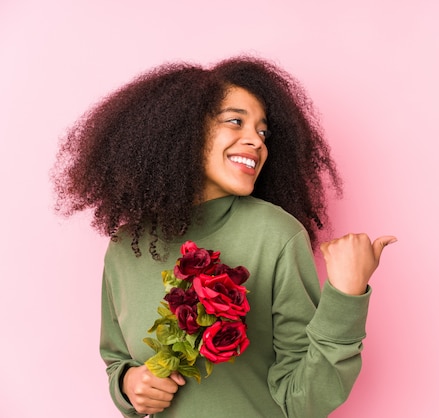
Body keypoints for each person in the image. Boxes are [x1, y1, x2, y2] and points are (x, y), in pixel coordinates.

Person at [53, 55, 396, 418]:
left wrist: (346, 297)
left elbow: (304, 401)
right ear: (185, 131)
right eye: (236, 122)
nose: (257, 142)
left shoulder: (276, 235)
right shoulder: (125, 247)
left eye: (262, 132)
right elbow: (116, 360)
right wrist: (128, 384)